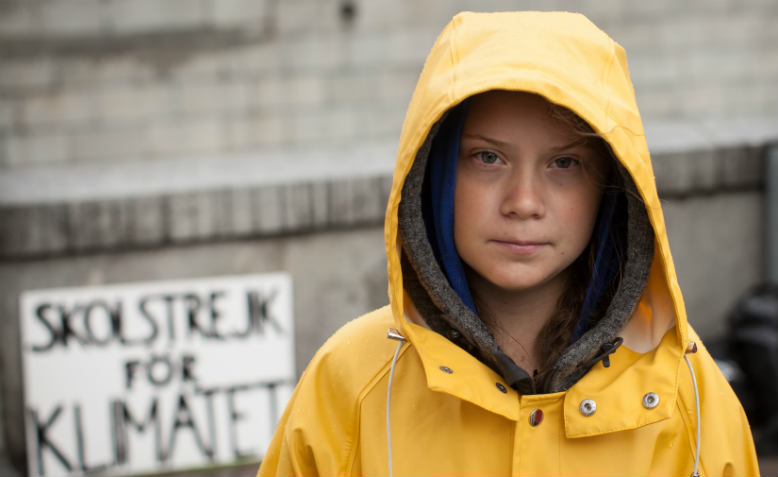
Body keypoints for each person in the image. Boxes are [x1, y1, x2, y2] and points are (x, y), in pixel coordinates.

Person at [258, 11, 759, 476]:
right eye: (487, 158)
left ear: (611, 188)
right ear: (434, 175)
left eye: (564, 164)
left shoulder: (685, 389)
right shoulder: (353, 380)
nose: (523, 202)